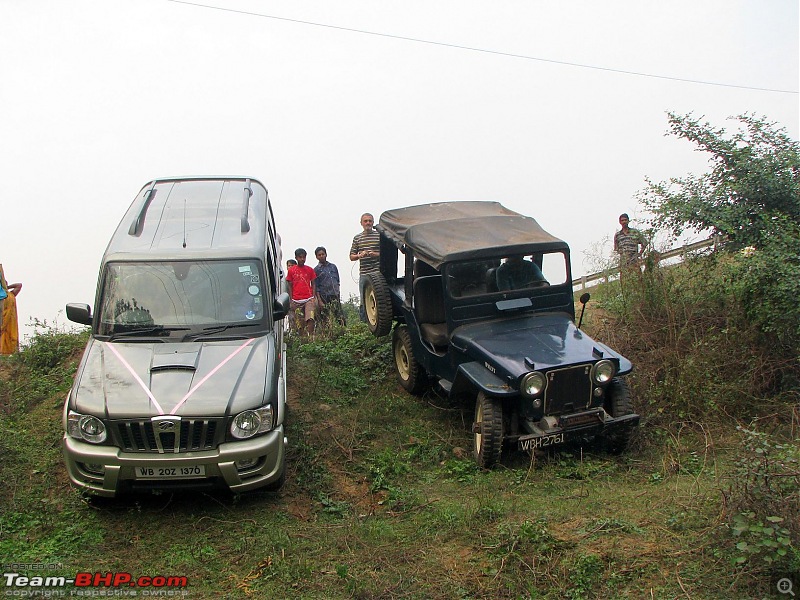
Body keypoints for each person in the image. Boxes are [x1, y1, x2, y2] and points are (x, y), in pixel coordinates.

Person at [349, 213, 380, 321]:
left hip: (378, 273)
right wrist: (360, 255)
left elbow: (386, 254)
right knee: (364, 300)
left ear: (373, 222)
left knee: (380, 299)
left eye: (370, 221)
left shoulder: (379, 235)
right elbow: (351, 256)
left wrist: (374, 254)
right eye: (365, 221)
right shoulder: (357, 238)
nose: (368, 223)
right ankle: (364, 326)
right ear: (361, 223)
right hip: (364, 273)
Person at [285, 248, 317, 337]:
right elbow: (290, 285)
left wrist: (313, 297)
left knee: (310, 318)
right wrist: (291, 299)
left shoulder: (310, 270)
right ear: (296, 258)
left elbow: (313, 283)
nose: (302, 259)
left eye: (304, 257)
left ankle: (311, 337)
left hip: (308, 299)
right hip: (296, 300)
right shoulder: (291, 271)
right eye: (300, 257)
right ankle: (302, 340)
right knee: (299, 322)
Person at [314, 246, 345, 327]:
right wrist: (319, 301)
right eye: (319, 255)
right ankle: (327, 336)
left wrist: (338, 292)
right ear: (316, 257)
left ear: (326, 254)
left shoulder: (333, 266)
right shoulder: (316, 270)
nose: (321, 256)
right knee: (325, 319)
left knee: (340, 317)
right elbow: (316, 286)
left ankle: (344, 333)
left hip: (334, 294)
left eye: (323, 254)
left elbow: (337, 280)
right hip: (324, 297)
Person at [0, 264, 22, 355]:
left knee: (10, 337)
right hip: (2, 322)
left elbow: (19, 285)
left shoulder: (11, 295)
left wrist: (7, 287)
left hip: (10, 322)